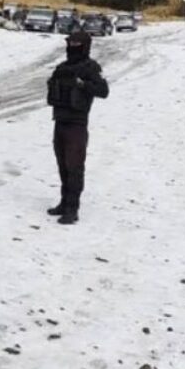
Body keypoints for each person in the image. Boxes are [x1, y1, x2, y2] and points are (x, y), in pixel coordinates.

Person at [46, 30, 109, 224]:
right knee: (63, 166)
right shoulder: (62, 67)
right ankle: (64, 203)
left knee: (74, 168)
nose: (72, 47)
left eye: (75, 44)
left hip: (77, 125)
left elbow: (103, 91)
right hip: (60, 122)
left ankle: (72, 209)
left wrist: (82, 85)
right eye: (70, 43)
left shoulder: (91, 68)